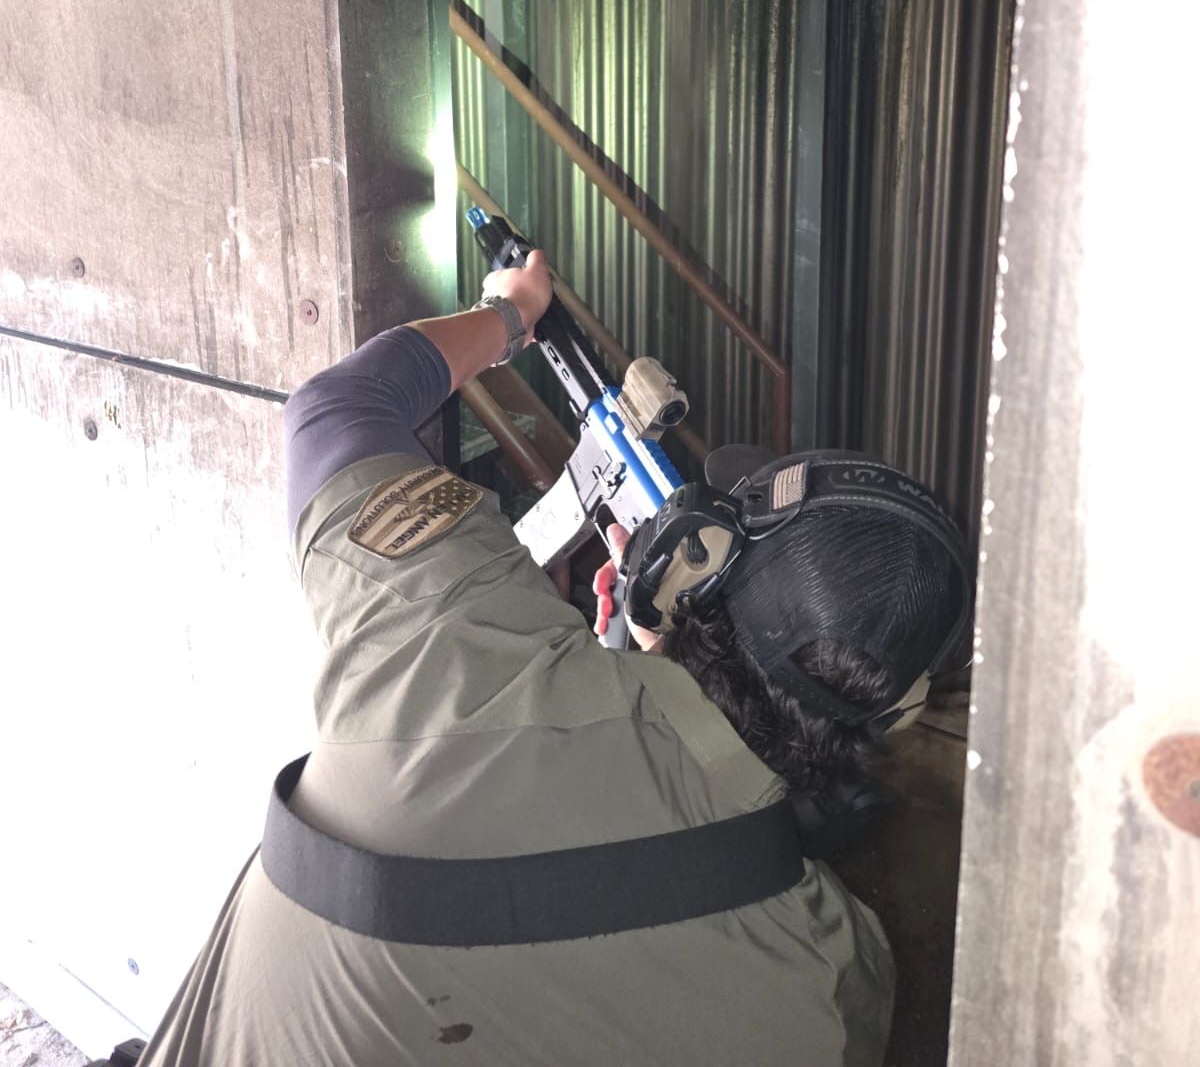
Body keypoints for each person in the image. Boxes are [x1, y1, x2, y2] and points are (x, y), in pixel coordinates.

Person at [136, 250, 966, 1067]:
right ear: (897, 712)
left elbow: (337, 407)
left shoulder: (446, 644)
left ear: (682, 567)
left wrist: (510, 313)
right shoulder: (837, 985)